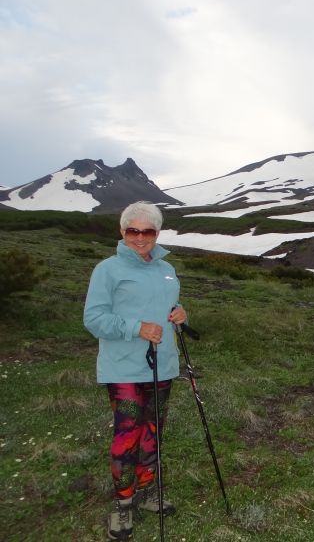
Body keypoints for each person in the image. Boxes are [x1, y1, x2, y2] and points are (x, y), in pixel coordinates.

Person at [84, 201, 187, 541]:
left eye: (148, 231)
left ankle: (146, 493)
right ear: (122, 231)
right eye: (134, 230)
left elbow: (166, 305)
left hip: (163, 365)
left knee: (152, 432)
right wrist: (136, 327)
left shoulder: (166, 269)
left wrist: (180, 314)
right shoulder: (107, 270)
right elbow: (94, 319)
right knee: (127, 435)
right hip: (125, 369)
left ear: (157, 233)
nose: (141, 238)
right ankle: (122, 505)